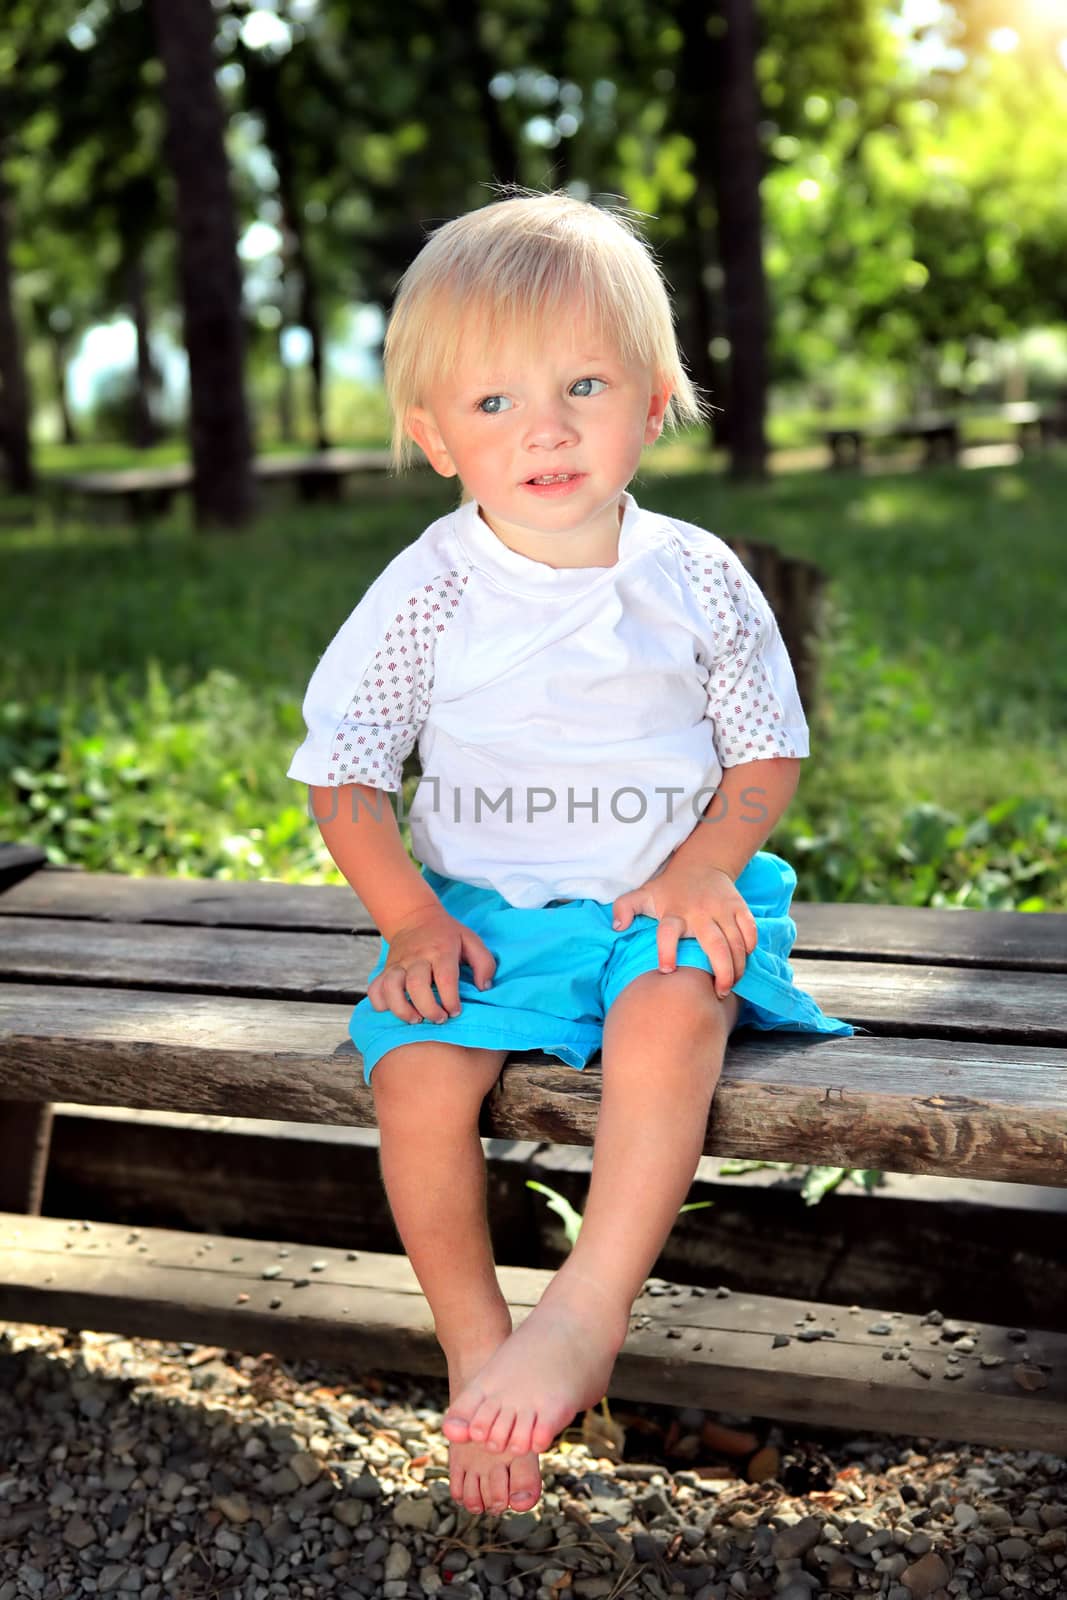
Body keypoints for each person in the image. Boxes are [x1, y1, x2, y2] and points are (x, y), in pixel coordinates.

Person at [287, 189, 854, 1520]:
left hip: (666, 887)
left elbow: (764, 754)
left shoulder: (697, 574)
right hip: (482, 909)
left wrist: (709, 867)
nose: (543, 428)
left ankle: (589, 1310)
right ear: (431, 436)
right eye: (491, 404)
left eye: (583, 384)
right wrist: (415, 924)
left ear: (654, 400)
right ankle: (477, 1346)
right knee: (418, 1078)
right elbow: (348, 777)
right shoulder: (428, 590)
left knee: (675, 1003)